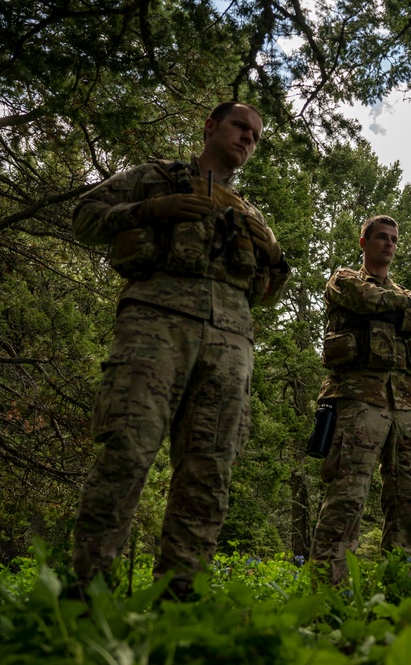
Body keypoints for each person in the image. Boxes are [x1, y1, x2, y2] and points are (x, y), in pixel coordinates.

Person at [70, 102, 290, 599]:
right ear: (211, 127)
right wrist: (150, 210)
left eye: (255, 136)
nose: (247, 139)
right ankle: (88, 594)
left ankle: (178, 598)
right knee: (127, 450)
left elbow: (263, 291)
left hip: (231, 341)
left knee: (209, 470)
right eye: (240, 127)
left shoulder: (249, 214)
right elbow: (84, 217)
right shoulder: (155, 179)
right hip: (155, 323)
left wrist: (274, 257)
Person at [310, 214, 411, 584]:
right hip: (357, 400)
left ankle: (400, 586)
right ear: (363, 241)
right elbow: (364, 298)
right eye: (381, 237)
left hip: (408, 404)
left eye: (394, 239)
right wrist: (405, 309)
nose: (389, 244)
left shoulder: (410, 295)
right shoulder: (343, 279)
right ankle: (329, 589)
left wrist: (394, 305)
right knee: (349, 494)